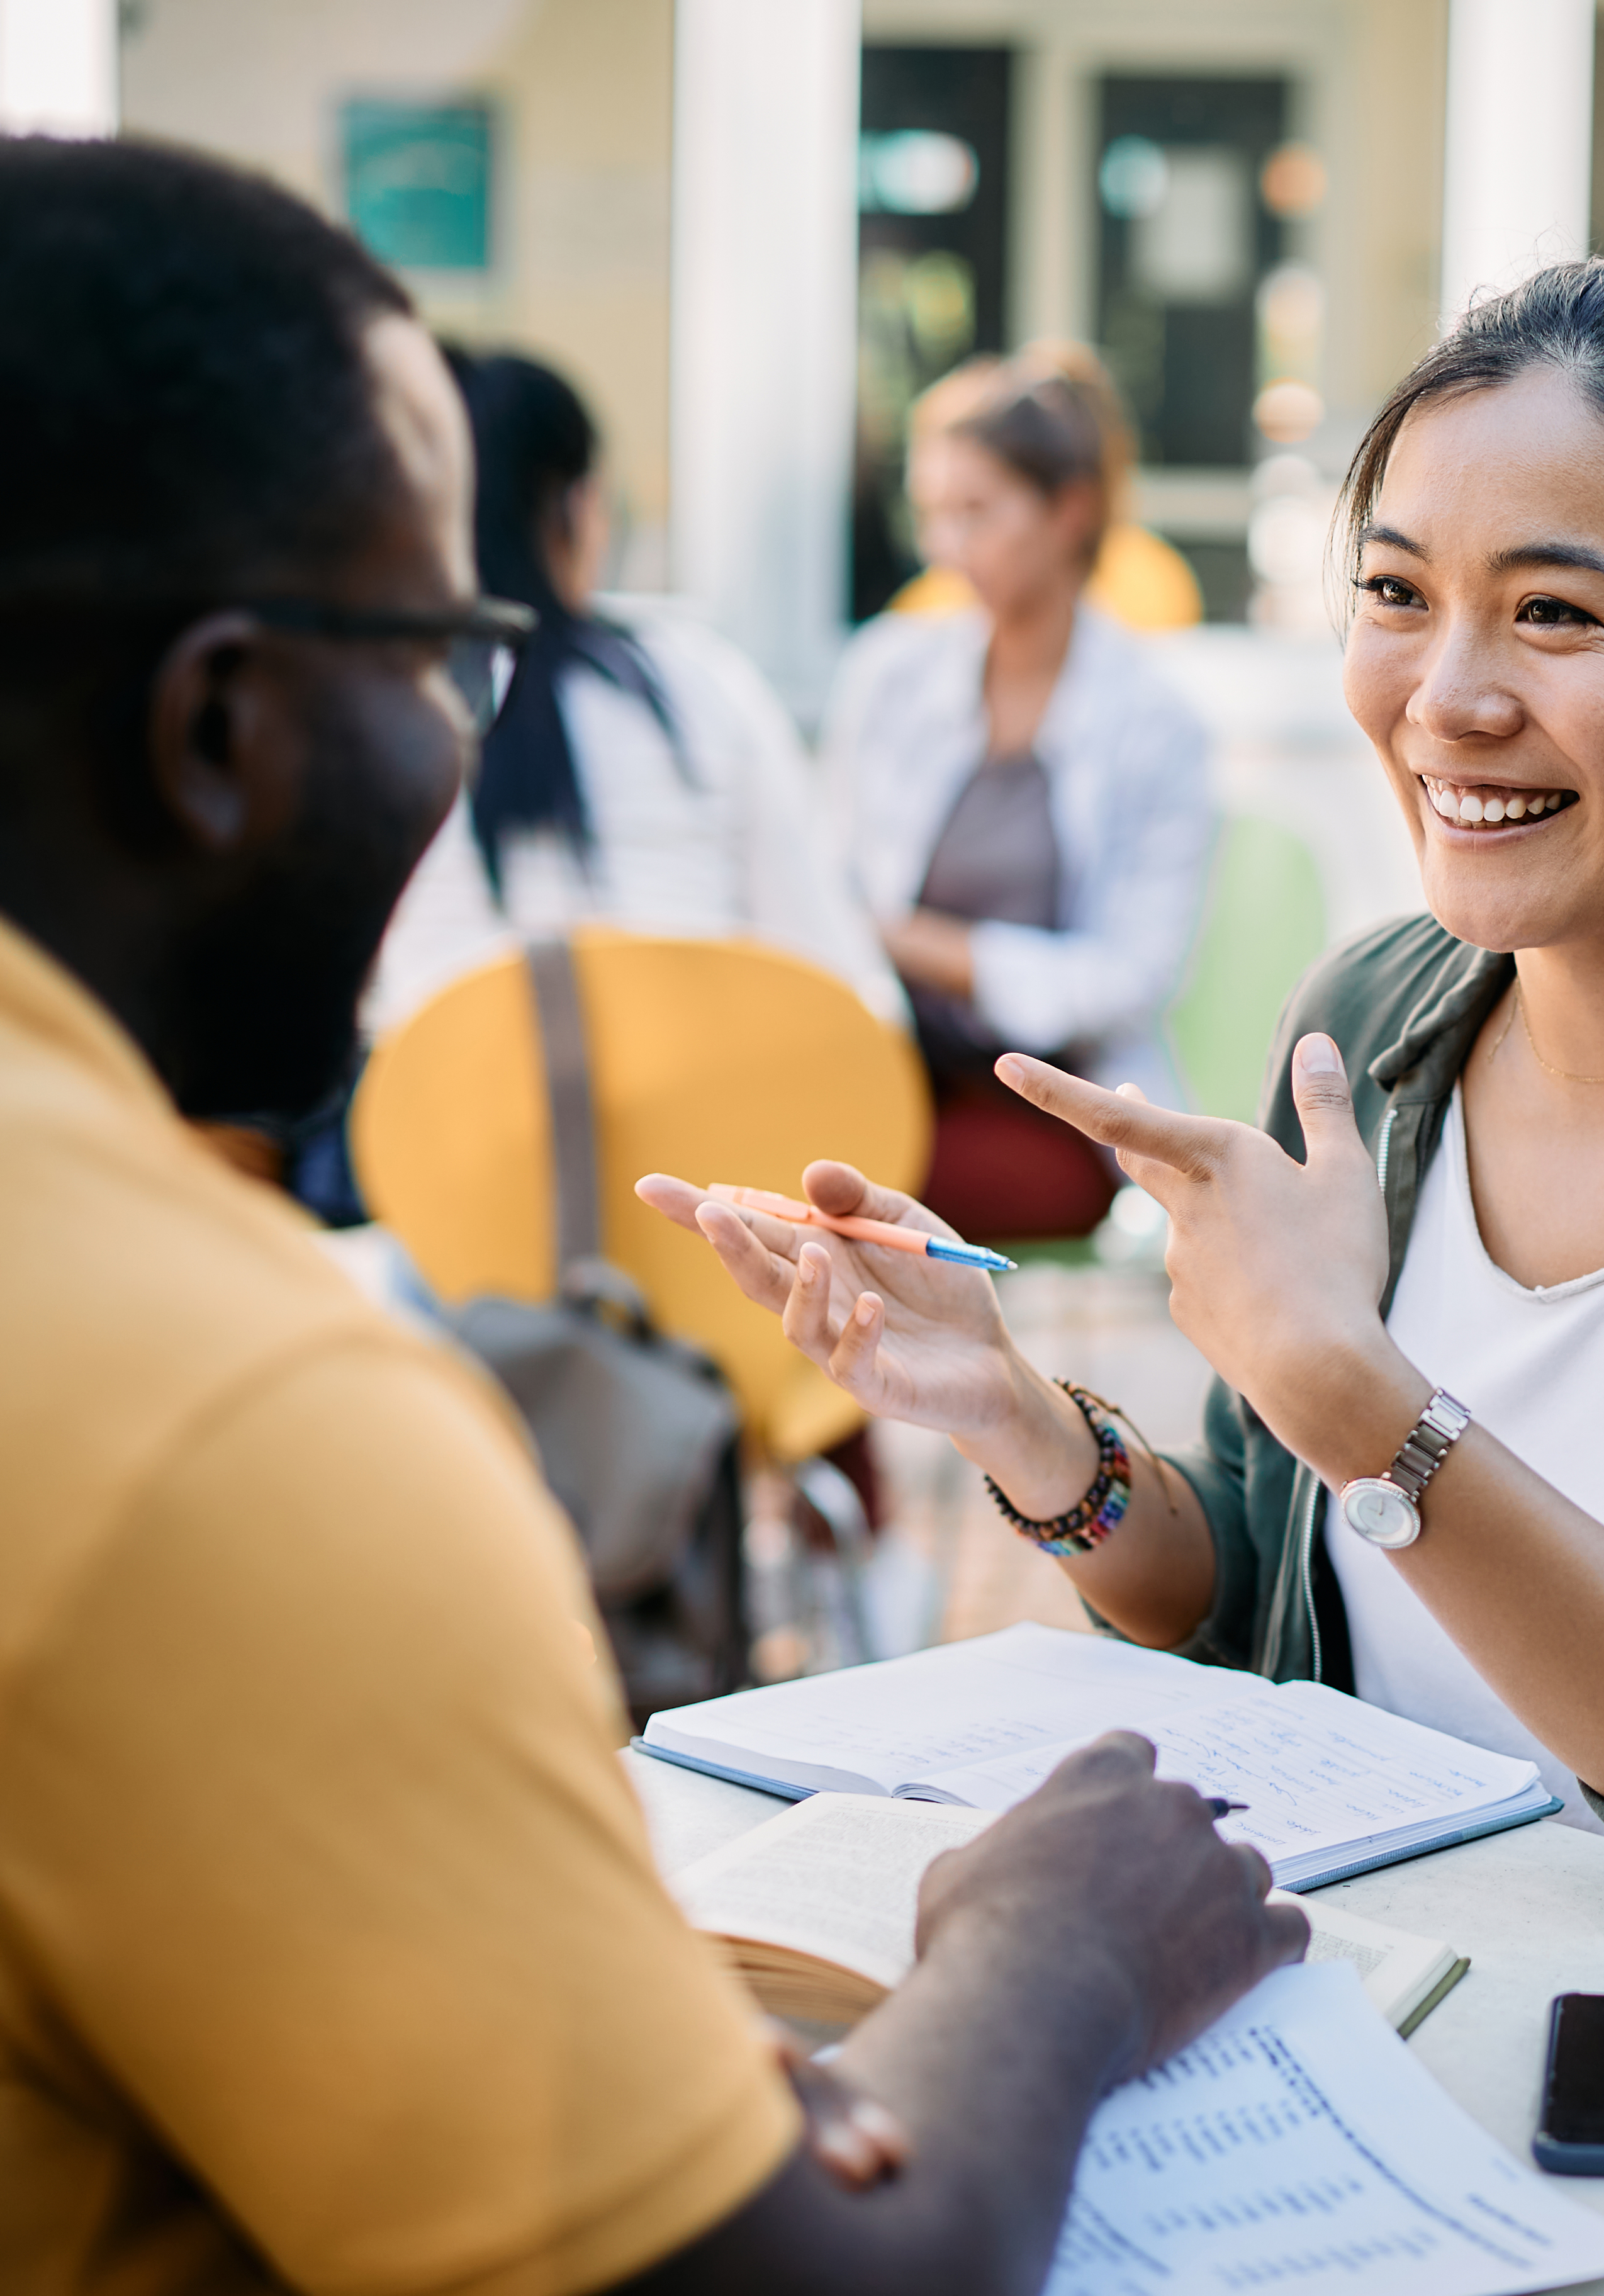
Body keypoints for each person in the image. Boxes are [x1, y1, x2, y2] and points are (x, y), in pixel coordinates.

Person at [646, 256, 1604, 2296]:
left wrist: (1359, 1399)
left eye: (1556, 610)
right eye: (1397, 594)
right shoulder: (1385, 1019)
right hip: (1367, 2070)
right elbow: (1261, 1613)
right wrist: (1025, 1421)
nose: (1447, 694)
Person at [0, 135, 1300, 2295]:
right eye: (437, 650)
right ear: (217, 721)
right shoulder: (229, 1422)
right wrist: (1059, 1948)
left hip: (489, 1230)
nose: (457, 733)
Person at [364, 349, 902, 1038]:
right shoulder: (697, 685)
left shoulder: (384, 702)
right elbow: (849, 991)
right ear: (579, 509)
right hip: (700, 1133)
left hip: (431, 1137)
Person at [824, 346, 1216, 1244]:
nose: (943, 547)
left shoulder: (1156, 724)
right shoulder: (891, 674)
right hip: (883, 1063)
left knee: (860, 1190)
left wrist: (928, 948)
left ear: (1070, 511)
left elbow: (1128, 978)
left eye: (975, 513)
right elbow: (830, 887)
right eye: (931, 514)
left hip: (1049, 1099)